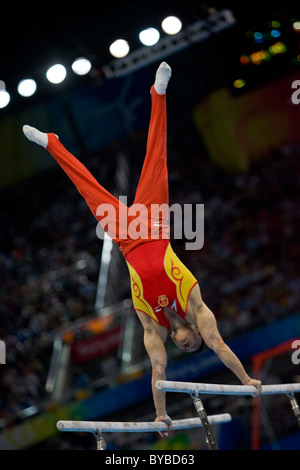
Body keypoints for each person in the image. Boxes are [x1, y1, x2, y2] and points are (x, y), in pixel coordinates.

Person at [23, 62, 261, 436]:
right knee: (157, 158)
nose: (184, 344)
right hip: (155, 227)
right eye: (190, 344)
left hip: (127, 239)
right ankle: (159, 93)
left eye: (181, 346)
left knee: (87, 187)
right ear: (195, 336)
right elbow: (219, 345)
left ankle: (52, 143)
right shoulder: (198, 308)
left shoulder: (151, 325)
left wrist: (160, 415)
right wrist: (246, 379)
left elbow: (159, 372)